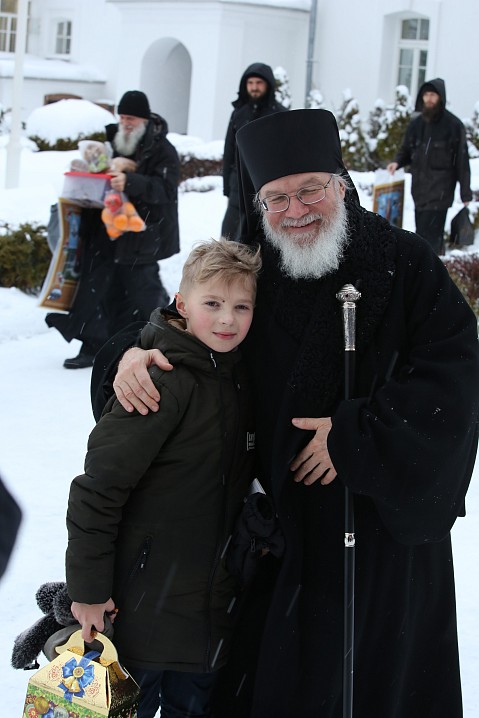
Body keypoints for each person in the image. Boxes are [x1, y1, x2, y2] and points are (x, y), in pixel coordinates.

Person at [94, 109, 479, 718]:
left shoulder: (403, 262)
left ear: (341, 185)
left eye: (310, 190)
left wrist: (360, 436)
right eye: (276, 197)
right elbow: (183, 323)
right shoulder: (248, 267)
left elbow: (455, 376)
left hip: (377, 539)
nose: (295, 210)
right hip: (270, 536)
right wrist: (130, 356)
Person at [66, 238, 261, 718]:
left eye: (241, 307)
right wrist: (88, 592)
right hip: (138, 617)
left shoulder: (239, 377)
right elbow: (98, 488)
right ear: (182, 304)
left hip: (205, 623)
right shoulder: (160, 381)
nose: (227, 320)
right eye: (212, 304)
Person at [46, 90, 180, 369]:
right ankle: (95, 346)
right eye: (122, 118)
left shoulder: (162, 150)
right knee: (98, 292)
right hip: (105, 233)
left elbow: (165, 191)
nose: (126, 123)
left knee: (143, 294)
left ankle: (164, 345)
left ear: (144, 120)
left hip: (141, 235)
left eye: (131, 118)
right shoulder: (111, 145)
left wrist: (130, 181)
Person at [387, 77, 472, 255]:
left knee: (429, 240)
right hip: (419, 192)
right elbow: (406, 150)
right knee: (422, 238)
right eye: (426, 95)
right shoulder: (416, 124)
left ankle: (430, 269)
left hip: (440, 193)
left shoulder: (453, 126)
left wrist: (465, 193)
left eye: (433, 95)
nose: (429, 99)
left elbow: (462, 161)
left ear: (441, 97)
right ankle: (430, 268)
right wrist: (397, 162)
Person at [221, 62, 287, 240]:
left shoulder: (279, 114)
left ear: (268, 85)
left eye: (259, 83)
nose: (254, 87)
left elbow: (285, 153)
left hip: (267, 186)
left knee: (260, 238)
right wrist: (227, 186)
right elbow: (229, 150)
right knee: (230, 237)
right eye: (250, 83)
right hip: (237, 188)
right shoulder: (238, 113)